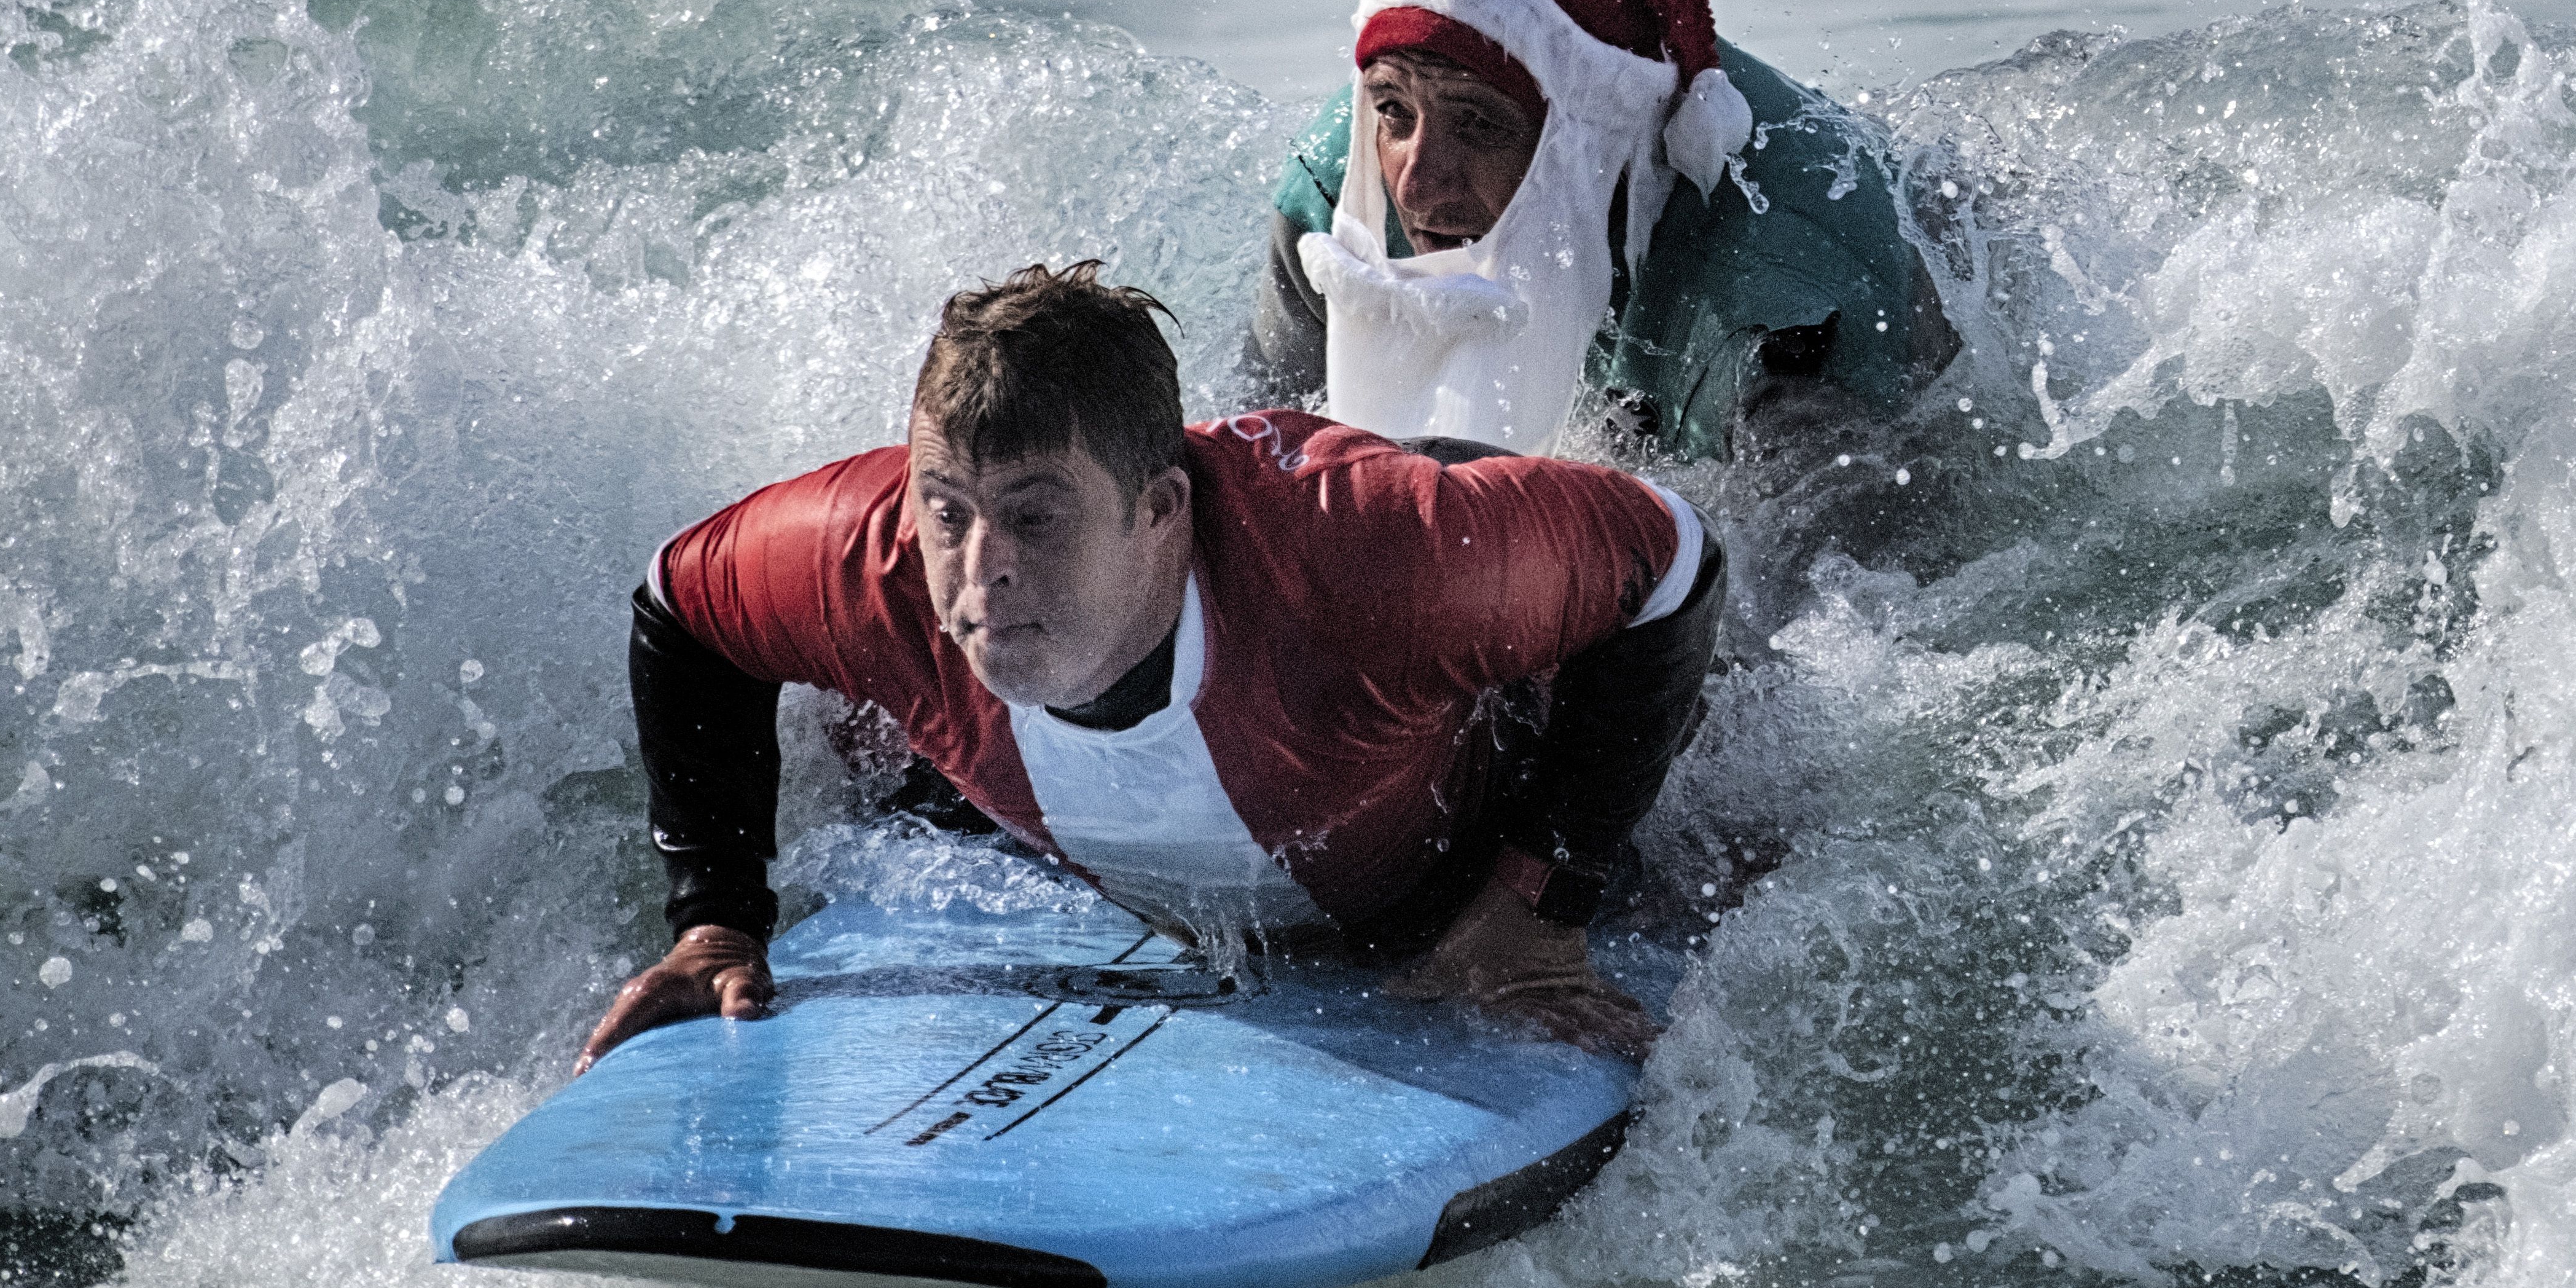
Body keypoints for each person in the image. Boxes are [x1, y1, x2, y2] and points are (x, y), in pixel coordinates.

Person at [578, 261, 1720, 1074]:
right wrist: (718, 918)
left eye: (1035, 518)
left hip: (1462, 773)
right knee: (884, 758)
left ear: (1160, 511)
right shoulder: (866, 560)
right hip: (1171, 799)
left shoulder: (1380, 565)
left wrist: (1540, 898)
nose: (983, 571)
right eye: (950, 514)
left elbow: (1671, 562)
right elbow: (680, 608)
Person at [1243, 0, 1949, 461]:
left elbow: (1861, 602)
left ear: (1585, 139)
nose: (1419, 185)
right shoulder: (1339, 197)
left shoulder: (1779, 309)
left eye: (1479, 125)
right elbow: (1244, 485)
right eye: (1394, 108)